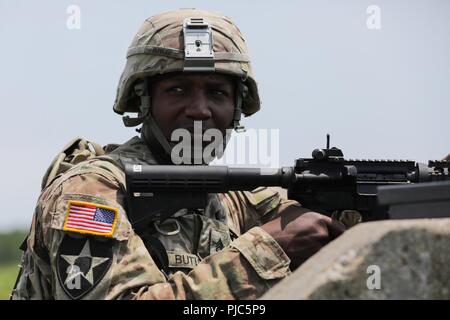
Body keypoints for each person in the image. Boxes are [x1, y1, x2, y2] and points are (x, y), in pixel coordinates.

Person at [11, 8, 345, 300]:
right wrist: (266, 251)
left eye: (216, 93)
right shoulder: (90, 192)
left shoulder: (235, 199)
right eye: (178, 90)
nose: (199, 110)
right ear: (144, 101)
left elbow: (305, 218)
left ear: (236, 109)